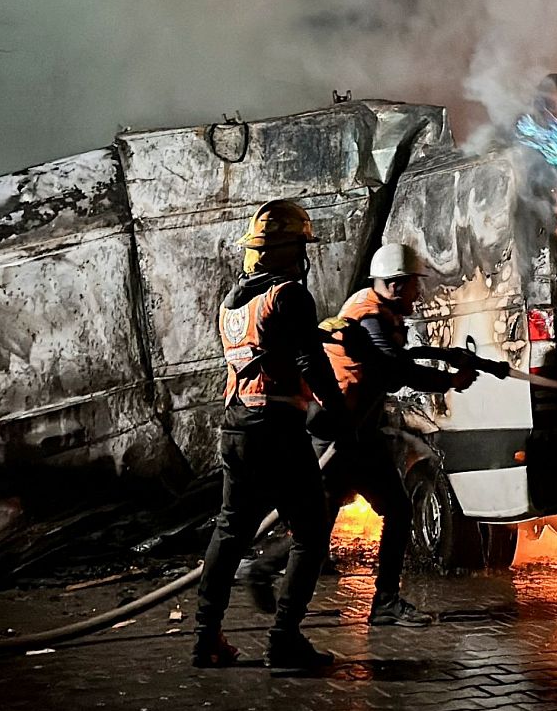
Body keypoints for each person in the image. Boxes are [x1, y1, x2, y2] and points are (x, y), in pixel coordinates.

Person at [247, 242, 476, 628]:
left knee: (380, 512)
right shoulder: (369, 317)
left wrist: (448, 359)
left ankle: (383, 601)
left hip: (355, 432)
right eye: (415, 285)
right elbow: (394, 370)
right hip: (338, 434)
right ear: (396, 285)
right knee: (320, 523)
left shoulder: (375, 310)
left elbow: (396, 361)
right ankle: (267, 572)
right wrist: (449, 380)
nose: (419, 294)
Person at [192, 200, 353, 670]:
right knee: (311, 531)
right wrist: (339, 412)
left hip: (235, 425)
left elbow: (274, 344)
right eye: (300, 245)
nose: (304, 255)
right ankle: (284, 640)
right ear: (284, 250)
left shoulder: (232, 302)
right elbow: (308, 361)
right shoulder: (290, 295)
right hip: (277, 429)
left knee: (229, 531)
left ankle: (206, 639)